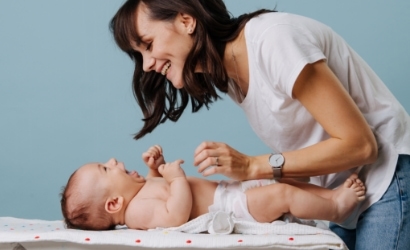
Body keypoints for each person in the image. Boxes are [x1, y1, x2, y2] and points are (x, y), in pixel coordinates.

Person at [109, 1, 410, 249]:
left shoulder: (273, 41)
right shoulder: (232, 76)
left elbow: (361, 145)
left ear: (186, 21)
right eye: (140, 55)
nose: (146, 64)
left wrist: (253, 167)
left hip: (387, 180)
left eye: (148, 44)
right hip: (347, 196)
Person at [60, 145, 365, 231]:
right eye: (105, 168)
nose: (113, 160)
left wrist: (157, 167)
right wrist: (176, 178)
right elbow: (173, 216)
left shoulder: (139, 193)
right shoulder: (137, 212)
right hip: (231, 210)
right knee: (281, 195)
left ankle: (331, 199)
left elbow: (157, 186)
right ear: (114, 204)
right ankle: (337, 208)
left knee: (284, 180)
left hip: (230, 191)